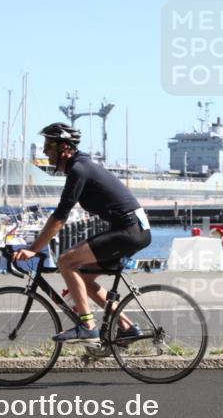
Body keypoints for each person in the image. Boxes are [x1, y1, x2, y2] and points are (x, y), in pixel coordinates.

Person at [13, 123, 151, 343]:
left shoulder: (79, 170)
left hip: (129, 230)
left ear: (65, 148)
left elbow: (60, 216)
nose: (45, 151)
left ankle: (87, 326)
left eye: (50, 146)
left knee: (66, 261)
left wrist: (32, 250)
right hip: (133, 229)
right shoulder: (81, 166)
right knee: (84, 279)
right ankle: (126, 328)